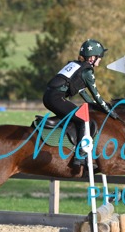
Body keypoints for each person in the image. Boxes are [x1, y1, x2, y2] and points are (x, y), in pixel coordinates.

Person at [43, 38, 118, 166]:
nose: (100, 59)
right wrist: (109, 111)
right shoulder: (87, 71)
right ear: (92, 58)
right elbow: (96, 95)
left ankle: (69, 148)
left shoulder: (75, 65)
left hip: (48, 97)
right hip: (56, 99)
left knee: (75, 118)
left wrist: (94, 106)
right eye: (99, 57)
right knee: (85, 120)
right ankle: (80, 156)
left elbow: (83, 93)